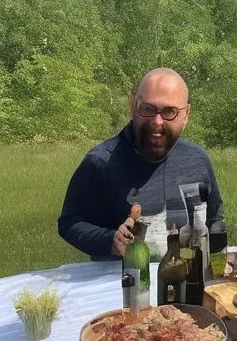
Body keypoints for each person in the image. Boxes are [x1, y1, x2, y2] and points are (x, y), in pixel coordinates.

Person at [57, 67, 224, 261]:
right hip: (123, 277)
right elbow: (70, 223)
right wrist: (111, 240)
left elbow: (215, 221)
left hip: (188, 275)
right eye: (148, 109)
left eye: (169, 111)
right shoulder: (102, 162)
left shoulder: (197, 160)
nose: (157, 121)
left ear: (186, 114)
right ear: (133, 106)